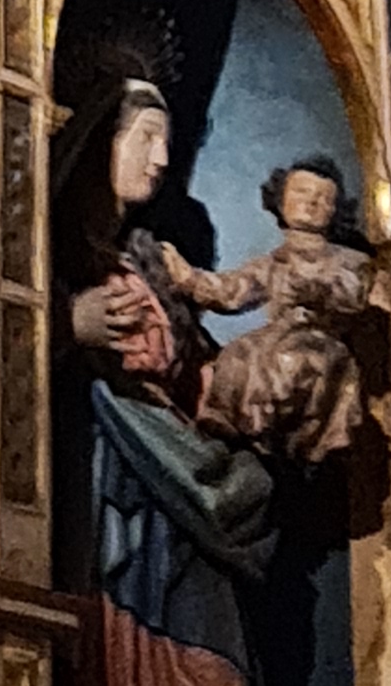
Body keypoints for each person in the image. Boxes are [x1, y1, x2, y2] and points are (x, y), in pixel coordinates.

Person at [55, 78, 278, 686]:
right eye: (145, 135)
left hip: (189, 509)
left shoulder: (157, 262)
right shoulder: (54, 250)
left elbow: (202, 386)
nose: (161, 156)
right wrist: (65, 322)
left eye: (168, 137)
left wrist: (262, 389)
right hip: (108, 513)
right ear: (99, 138)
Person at [161, 157, 375, 466]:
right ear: (280, 198)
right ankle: (226, 425)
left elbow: (352, 295)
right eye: (301, 191)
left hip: (320, 342)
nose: (311, 202)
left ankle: (276, 440)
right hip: (278, 336)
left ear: (335, 209)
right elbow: (233, 291)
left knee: (289, 363)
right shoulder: (273, 262)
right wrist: (190, 278)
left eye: (323, 197)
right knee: (237, 354)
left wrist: (314, 289)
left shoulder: (350, 260)